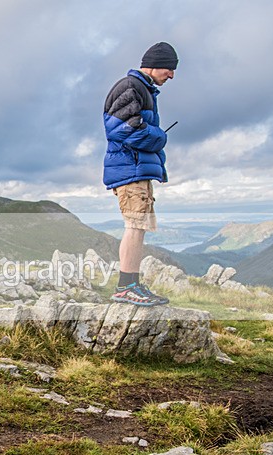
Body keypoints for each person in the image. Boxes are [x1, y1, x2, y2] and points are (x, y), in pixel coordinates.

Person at [103, 42, 179, 306]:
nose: (171, 75)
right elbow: (121, 129)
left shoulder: (143, 89)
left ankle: (131, 283)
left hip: (136, 169)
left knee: (139, 227)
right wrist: (160, 137)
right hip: (130, 170)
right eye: (169, 68)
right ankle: (126, 287)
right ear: (155, 63)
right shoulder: (130, 87)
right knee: (135, 225)